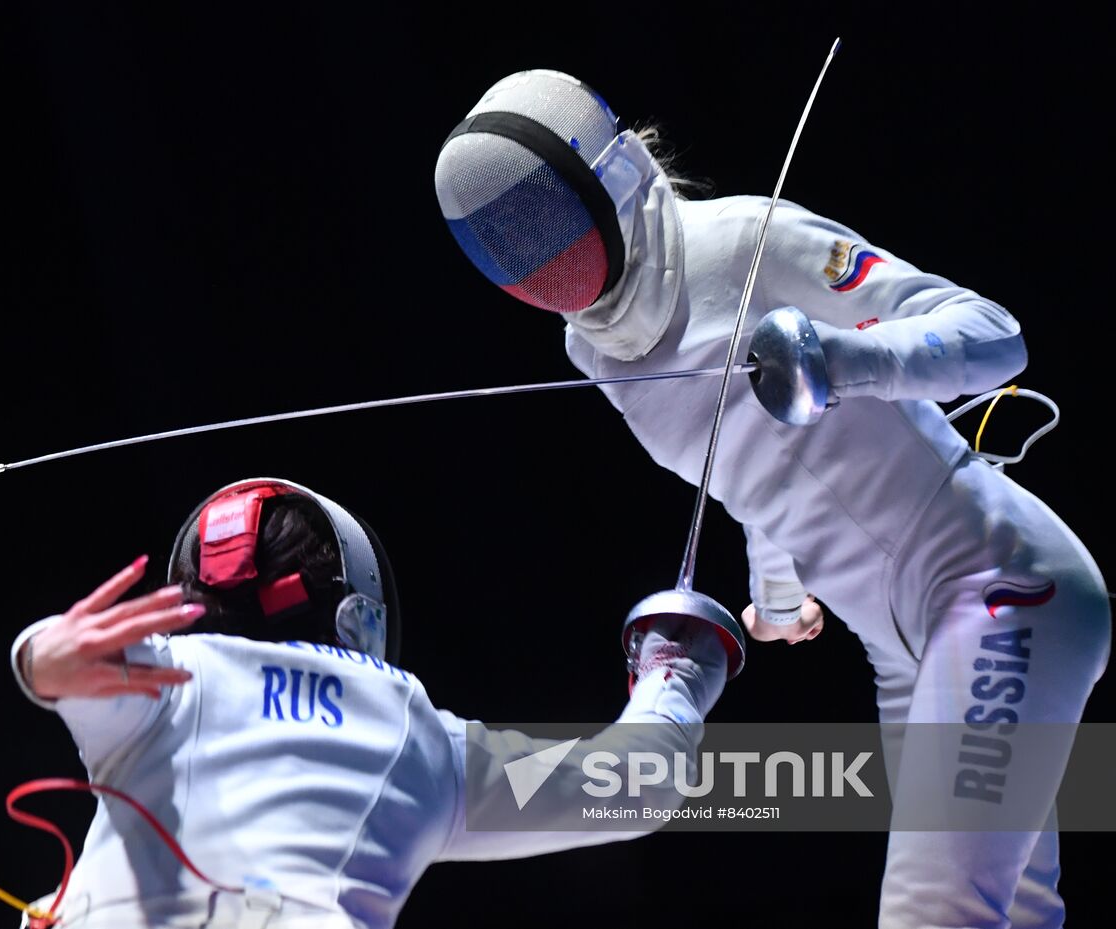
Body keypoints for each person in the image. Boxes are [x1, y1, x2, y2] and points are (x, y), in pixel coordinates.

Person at [434, 69, 1111, 928]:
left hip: (1002, 589)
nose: (540, 258)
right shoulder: (595, 353)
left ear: (606, 177)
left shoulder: (748, 240)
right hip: (904, 648)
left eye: (542, 221)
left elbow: (994, 335)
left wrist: (841, 360)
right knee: (1015, 910)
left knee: (937, 912)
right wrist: (778, 593)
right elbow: (745, 464)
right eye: (512, 245)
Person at [9, 477, 733, 929]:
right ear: (358, 615)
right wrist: (678, 668)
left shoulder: (166, 677)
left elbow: (61, 659)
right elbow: (637, 782)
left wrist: (40, 657)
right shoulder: (411, 730)